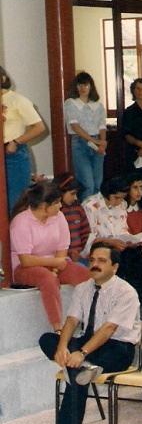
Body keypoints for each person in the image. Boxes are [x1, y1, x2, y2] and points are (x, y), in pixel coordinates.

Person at [37, 243, 140, 424]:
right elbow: (72, 320)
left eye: (101, 261)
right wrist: (63, 347)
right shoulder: (83, 288)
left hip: (118, 348)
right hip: (89, 343)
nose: (94, 264)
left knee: (76, 371)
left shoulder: (126, 292)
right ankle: (84, 366)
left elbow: (109, 329)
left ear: (115, 267)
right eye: (92, 260)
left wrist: (82, 353)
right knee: (48, 340)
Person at [10, 181, 91, 332]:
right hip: (25, 267)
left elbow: (62, 248)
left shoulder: (59, 217)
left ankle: (91, 322)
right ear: (42, 205)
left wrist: (54, 268)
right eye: (56, 202)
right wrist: (53, 265)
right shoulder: (21, 221)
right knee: (47, 279)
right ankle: (58, 328)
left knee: (87, 276)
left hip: (55, 263)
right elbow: (25, 260)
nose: (60, 206)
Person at [1, 64, 47, 212]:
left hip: (13, 155)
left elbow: (39, 127)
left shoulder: (17, 100)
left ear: (3, 79)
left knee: (15, 203)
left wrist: (15, 142)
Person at [64, 71, 107, 199]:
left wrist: (102, 142)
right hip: (80, 143)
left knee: (98, 184)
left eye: (86, 85)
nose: (82, 88)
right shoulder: (71, 103)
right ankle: (85, 215)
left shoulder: (98, 106)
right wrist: (94, 141)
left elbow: (102, 126)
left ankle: (96, 215)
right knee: (87, 183)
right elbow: (75, 126)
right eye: (79, 85)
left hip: (97, 143)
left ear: (91, 87)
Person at [59, 173, 91, 262]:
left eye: (76, 194)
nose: (75, 198)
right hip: (63, 258)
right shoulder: (55, 213)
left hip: (80, 256)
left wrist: (87, 251)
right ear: (61, 192)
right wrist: (69, 253)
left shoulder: (78, 209)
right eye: (72, 194)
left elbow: (85, 233)